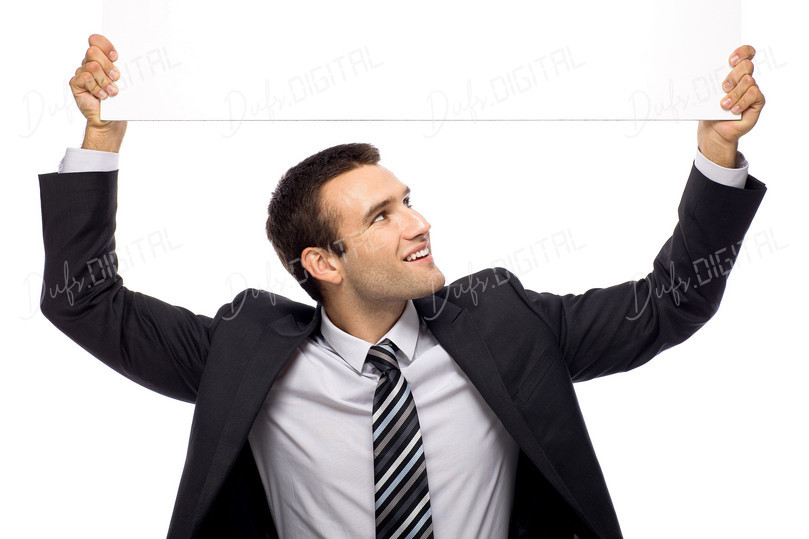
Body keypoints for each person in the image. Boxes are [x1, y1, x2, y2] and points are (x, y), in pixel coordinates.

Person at [39, 34, 766, 539]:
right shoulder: (239, 349)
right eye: (382, 216)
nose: (418, 223)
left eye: (407, 199)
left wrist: (714, 157)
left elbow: (673, 300)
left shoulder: (506, 322)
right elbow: (84, 299)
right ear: (324, 261)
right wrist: (100, 143)